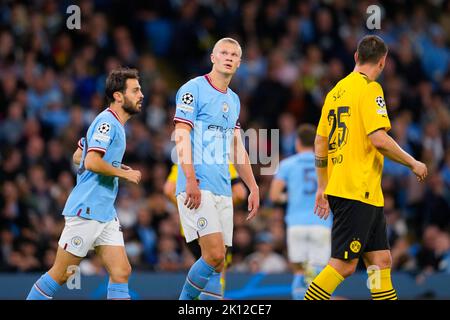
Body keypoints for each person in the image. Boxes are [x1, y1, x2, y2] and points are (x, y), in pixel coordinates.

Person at [304, 35, 428, 300]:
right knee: (344, 264)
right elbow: (378, 138)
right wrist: (412, 162)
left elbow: (319, 141)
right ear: (383, 62)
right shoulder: (371, 89)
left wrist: (322, 185)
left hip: (358, 190)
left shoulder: (334, 93)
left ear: (356, 57)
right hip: (356, 189)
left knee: (380, 261)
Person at [26, 68, 144, 300]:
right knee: (60, 274)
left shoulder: (113, 124)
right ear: (118, 96)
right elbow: (90, 161)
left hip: (105, 212)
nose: (142, 95)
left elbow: (78, 155)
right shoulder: (107, 122)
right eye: (136, 90)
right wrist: (121, 172)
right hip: (87, 210)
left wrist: (111, 166)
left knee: (121, 271)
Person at [173, 37, 260, 300]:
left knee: (219, 264)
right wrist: (190, 179)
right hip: (198, 184)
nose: (229, 57)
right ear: (213, 57)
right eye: (223, 52)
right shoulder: (193, 88)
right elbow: (181, 133)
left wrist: (253, 186)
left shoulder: (233, 100)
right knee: (213, 254)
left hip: (223, 186)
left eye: (234, 54)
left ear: (240, 63)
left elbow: (236, 148)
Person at [163, 162, 247, 297]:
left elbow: (168, 189)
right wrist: (214, 208)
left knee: (203, 269)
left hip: (190, 230)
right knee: (218, 270)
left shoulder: (183, 162)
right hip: (216, 228)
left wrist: (189, 208)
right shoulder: (222, 161)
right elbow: (240, 193)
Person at [269, 124, 332, 300]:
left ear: (297, 142)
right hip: (321, 222)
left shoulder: (287, 164)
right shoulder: (327, 163)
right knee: (319, 272)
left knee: (299, 271)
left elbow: (274, 196)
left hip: (296, 224)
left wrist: (289, 197)